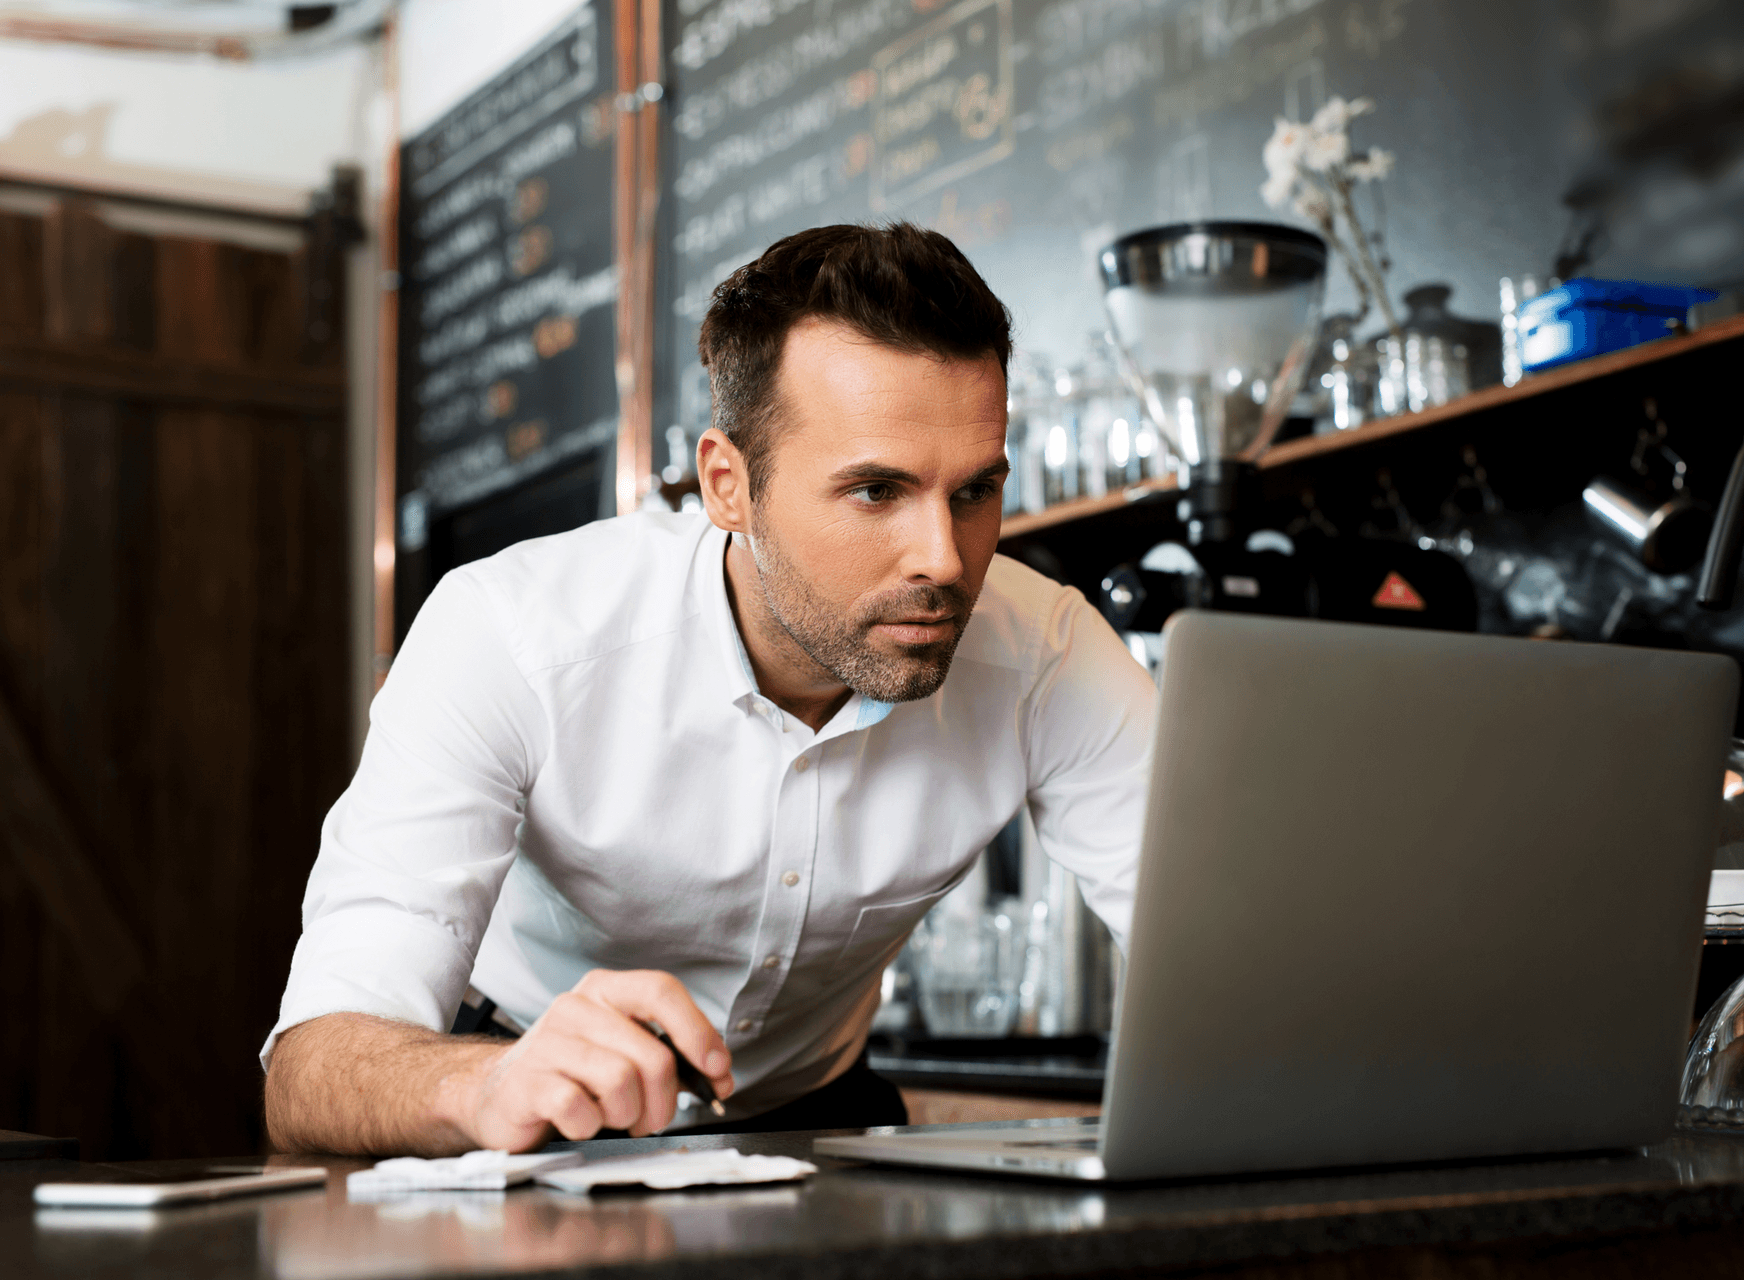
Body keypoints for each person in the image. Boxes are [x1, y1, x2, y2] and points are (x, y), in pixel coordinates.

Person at [262, 223, 1156, 1156]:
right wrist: (482, 1085)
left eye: (974, 492)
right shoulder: (511, 635)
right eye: (875, 492)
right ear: (728, 484)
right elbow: (313, 1068)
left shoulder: (1044, 654)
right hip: (523, 1091)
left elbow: (1223, 956)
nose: (944, 558)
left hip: (818, 1116)